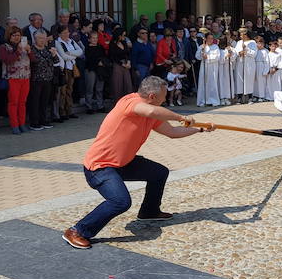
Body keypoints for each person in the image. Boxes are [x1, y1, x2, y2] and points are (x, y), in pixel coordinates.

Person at [61, 76, 216, 249]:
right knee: (120, 202)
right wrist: (180, 116)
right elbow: (150, 112)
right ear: (151, 96)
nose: (165, 100)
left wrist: (199, 129)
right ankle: (77, 231)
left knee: (159, 173)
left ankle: (149, 211)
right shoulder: (130, 102)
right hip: (100, 167)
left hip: (124, 162)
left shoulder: (153, 111)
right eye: (163, 97)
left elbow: (172, 132)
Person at [0, 26, 32, 134]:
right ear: (9, 36)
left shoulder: (24, 45)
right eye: (14, 35)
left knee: (23, 102)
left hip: (25, 77)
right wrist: (18, 51)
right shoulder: (4, 47)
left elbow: (34, 60)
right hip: (12, 78)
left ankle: (22, 124)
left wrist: (30, 51)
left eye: (18, 35)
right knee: (13, 103)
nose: (17, 37)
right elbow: (7, 60)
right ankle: (14, 125)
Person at [28, 31, 57, 130]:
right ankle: (34, 122)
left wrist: (54, 54)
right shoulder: (31, 49)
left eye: (44, 38)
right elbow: (34, 61)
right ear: (35, 39)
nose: (42, 40)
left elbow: (56, 61)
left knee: (45, 101)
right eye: (40, 38)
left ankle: (44, 120)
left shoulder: (47, 49)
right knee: (35, 101)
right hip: (36, 79)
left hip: (48, 79)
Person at [55, 25, 83, 120]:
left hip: (72, 67)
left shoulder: (71, 41)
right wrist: (74, 55)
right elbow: (63, 56)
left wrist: (71, 53)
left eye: (67, 32)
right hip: (64, 69)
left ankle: (69, 110)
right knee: (63, 91)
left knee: (70, 90)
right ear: (59, 34)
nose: (67, 34)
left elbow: (80, 51)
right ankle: (62, 112)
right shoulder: (58, 42)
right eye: (64, 33)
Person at [83, 31, 106, 114]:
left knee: (99, 88)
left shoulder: (100, 47)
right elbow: (89, 59)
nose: (95, 39)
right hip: (90, 69)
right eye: (93, 38)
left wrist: (102, 62)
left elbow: (104, 57)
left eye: (96, 38)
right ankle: (89, 106)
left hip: (100, 70)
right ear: (89, 39)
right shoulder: (87, 48)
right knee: (90, 89)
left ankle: (100, 105)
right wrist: (97, 62)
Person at [195, 32, 220, 107]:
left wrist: (208, 57)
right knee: (203, 83)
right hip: (204, 67)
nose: (210, 40)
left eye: (212, 38)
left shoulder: (215, 46)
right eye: (209, 38)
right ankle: (202, 100)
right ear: (205, 39)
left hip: (212, 67)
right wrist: (201, 51)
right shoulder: (202, 46)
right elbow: (197, 57)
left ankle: (213, 100)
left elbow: (217, 57)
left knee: (212, 83)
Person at [109, 29, 134, 101]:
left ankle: (129, 102)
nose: (124, 37)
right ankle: (118, 104)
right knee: (118, 85)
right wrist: (122, 64)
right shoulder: (112, 44)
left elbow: (128, 53)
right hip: (117, 65)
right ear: (118, 36)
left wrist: (129, 62)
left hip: (126, 64)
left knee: (128, 84)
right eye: (123, 35)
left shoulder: (124, 42)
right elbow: (113, 57)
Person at [234, 29, 257, 102]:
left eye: (242, 34)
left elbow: (254, 53)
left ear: (246, 35)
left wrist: (246, 50)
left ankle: (250, 97)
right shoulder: (239, 42)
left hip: (249, 63)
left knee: (248, 79)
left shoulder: (252, 42)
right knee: (240, 79)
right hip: (240, 62)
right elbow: (236, 51)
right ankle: (240, 96)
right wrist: (239, 53)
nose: (241, 36)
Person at [218, 37, 236, 105]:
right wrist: (225, 57)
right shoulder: (218, 50)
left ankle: (227, 97)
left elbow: (233, 58)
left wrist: (230, 53)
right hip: (220, 68)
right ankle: (221, 97)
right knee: (221, 82)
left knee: (227, 83)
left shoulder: (229, 49)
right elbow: (218, 59)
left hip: (228, 68)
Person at [254, 37, 270, 102]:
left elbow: (267, 62)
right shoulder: (255, 50)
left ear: (263, 44)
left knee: (261, 82)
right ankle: (255, 95)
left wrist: (265, 71)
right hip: (255, 66)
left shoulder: (265, 51)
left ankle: (261, 96)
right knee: (255, 82)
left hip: (261, 67)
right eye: (257, 43)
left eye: (260, 43)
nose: (259, 45)